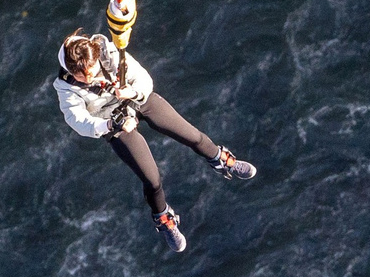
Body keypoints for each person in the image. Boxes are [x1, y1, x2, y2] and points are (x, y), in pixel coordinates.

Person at [53, 27, 255, 252]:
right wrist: (111, 124)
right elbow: (78, 120)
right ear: (70, 70)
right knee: (152, 180)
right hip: (112, 120)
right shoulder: (65, 87)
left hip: (137, 99)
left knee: (194, 137)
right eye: (81, 76)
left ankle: (220, 159)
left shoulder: (109, 52)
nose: (88, 78)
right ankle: (164, 218)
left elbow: (144, 80)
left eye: (91, 71)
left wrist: (131, 92)